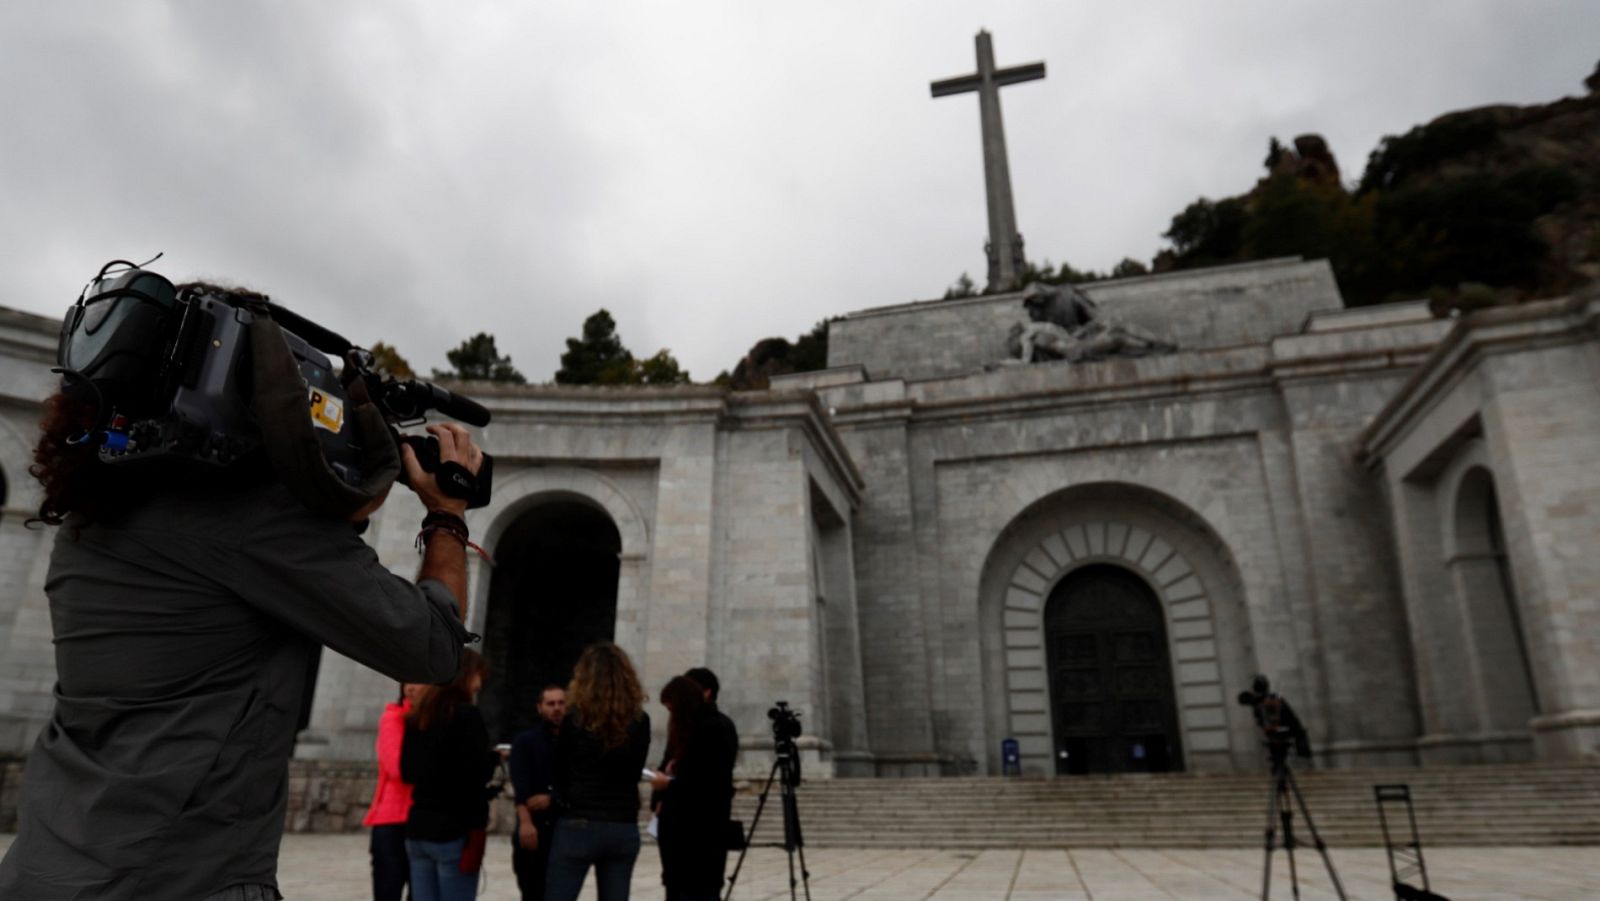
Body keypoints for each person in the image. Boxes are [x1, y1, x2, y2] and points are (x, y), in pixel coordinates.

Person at [0, 275, 485, 900]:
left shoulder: (94, 512)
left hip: (48, 867)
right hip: (175, 879)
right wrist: (447, 514)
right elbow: (433, 649)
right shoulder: (250, 523)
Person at [545, 642, 651, 901]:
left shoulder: (574, 719)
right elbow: (636, 769)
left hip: (579, 820)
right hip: (622, 823)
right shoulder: (640, 720)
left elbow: (559, 770)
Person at [402, 650, 497, 901]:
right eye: (478, 676)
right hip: (453, 830)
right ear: (466, 675)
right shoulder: (467, 716)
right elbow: (479, 772)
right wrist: (493, 759)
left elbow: (407, 771)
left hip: (418, 828)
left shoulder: (416, 718)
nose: (480, 683)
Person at [651, 676, 738, 901]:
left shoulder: (715, 727)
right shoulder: (684, 730)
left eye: (672, 708)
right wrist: (660, 795)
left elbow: (712, 783)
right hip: (677, 833)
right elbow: (668, 763)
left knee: (699, 890)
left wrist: (669, 783)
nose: (670, 715)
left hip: (702, 833)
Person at [366, 682, 428, 901]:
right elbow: (396, 767)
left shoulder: (438, 720)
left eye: (419, 682)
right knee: (387, 889)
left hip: (423, 818)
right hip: (391, 820)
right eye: (407, 682)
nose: (411, 688)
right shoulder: (393, 717)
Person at [508, 684, 567, 901]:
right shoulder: (525, 742)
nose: (556, 708)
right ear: (540, 707)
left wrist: (553, 798)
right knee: (531, 890)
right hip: (534, 825)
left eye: (561, 703)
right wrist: (525, 822)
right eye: (551, 704)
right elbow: (520, 785)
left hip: (564, 829)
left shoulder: (576, 742)